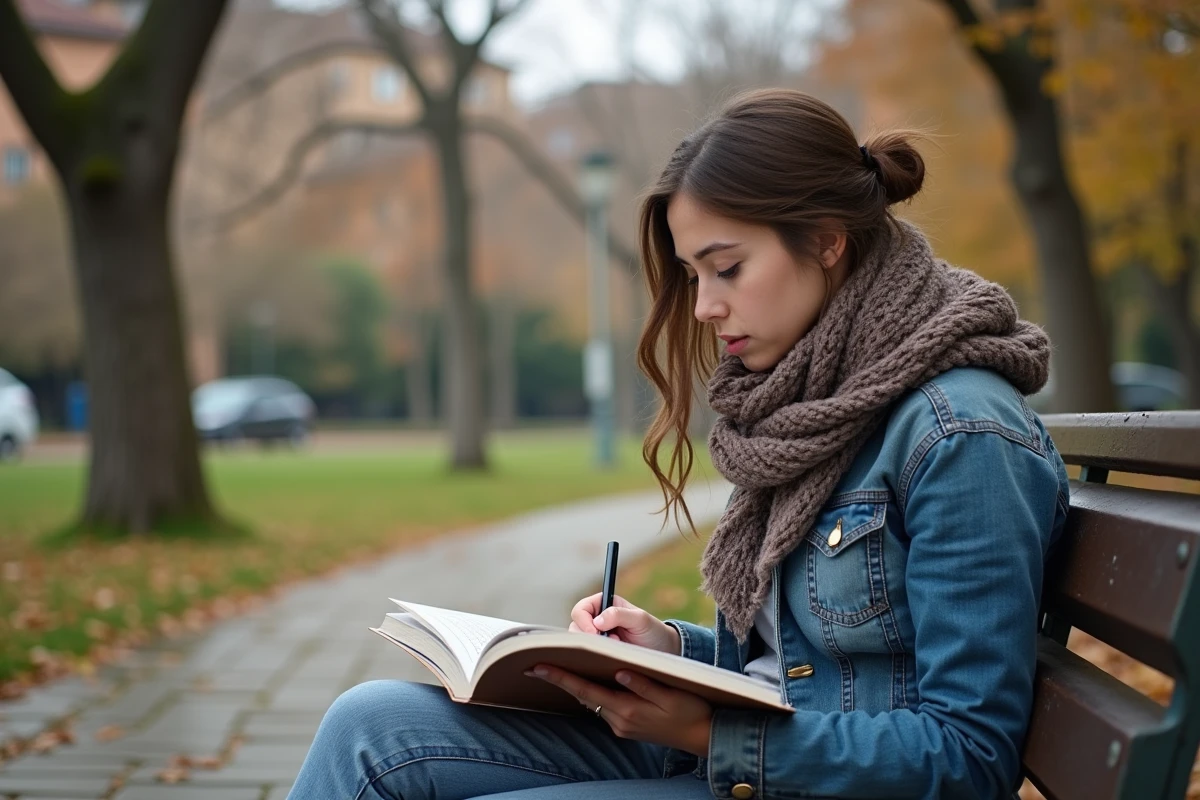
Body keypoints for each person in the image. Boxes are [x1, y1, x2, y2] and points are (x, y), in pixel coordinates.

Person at [286, 88, 1069, 800]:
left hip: (794, 781)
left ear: (828, 243)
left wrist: (707, 735)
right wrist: (664, 647)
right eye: (695, 275)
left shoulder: (962, 435)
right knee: (371, 725)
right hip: (736, 762)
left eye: (725, 269)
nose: (702, 308)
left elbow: (968, 758)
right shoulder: (812, 405)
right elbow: (792, 668)